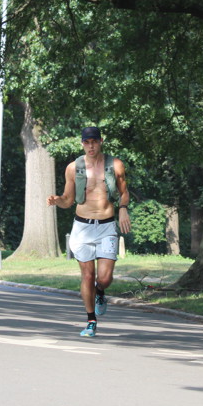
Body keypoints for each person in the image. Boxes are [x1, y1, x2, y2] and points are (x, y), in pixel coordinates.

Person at [47, 126, 130, 337]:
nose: (90, 146)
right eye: (87, 142)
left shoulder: (115, 165)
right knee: (87, 275)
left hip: (107, 226)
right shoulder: (73, 168)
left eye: (94, 141)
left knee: (104, 278)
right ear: (82, 143)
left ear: (101, 141)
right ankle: (91, 321)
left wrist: (123, 209)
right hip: (82, 227)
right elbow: (68, 200)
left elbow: (124, 192)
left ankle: (100, 291)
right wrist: (57, 201)